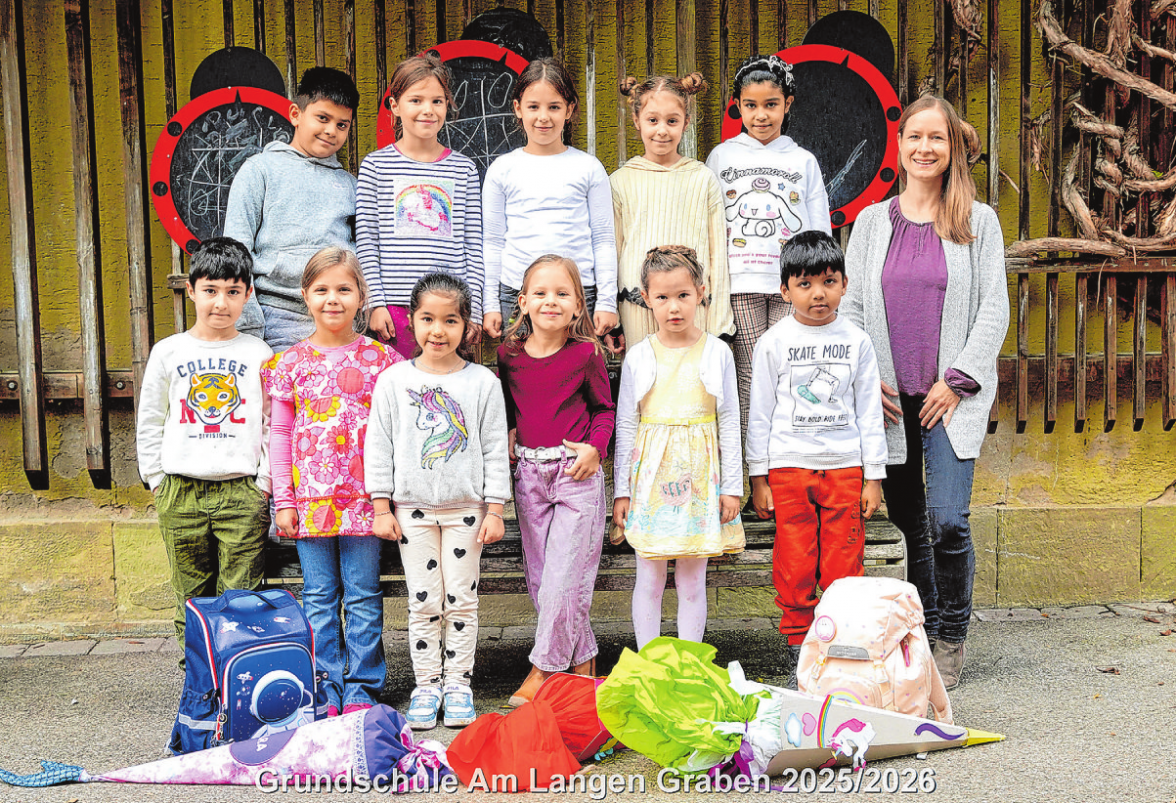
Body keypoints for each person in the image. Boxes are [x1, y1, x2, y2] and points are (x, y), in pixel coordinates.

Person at [842, 95, 1009, 690]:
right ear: (901, 144)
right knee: (911, 522)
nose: (924, 148)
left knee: (948, 522)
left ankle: (954, 635)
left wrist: (957, 380)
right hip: (892, 399)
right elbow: (855, 305)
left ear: (952, 147)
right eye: (914, 136)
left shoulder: (977, 221)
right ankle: (925, 634)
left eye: (936, 138)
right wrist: (869, 377)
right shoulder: (870, 223)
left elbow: (994, 308)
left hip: (948, 399)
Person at [366, 274, 510, 731]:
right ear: (411, 321)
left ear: (466, 327)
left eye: (450, 320)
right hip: (412, 513)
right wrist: (381, 506)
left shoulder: (482, 382)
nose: (438, 330)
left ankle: (459, 684)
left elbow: (493, 447)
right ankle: (426, 684)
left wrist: (496, 509)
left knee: (462, 599)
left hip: (467, 510)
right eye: (428, 318)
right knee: (423, 600)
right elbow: (379, 445)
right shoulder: (393, 381)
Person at [261, 248, 400, 716]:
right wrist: (285, 500)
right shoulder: (291, 363)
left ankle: (363, 684)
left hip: (365, 502)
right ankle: (326, 683)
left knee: (363, 594)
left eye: (344, 289)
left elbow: (395, 430)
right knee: (319, 597)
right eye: (322, 290)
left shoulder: (383, 361)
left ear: (361, 296)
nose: (333, 299)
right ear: (305, 296)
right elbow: (279, 434)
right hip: (309, 503)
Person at [746, 230, 887, 680]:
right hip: (788, 468)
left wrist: (874, 476)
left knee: (844, 562)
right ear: (784, 290)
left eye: (828, 281)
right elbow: (761, 413)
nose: (818, 293)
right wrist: (758, 478)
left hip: (844, 468)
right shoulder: (773, 342)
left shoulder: (857, 342)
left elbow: (868, 412)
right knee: (795, 560)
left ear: (844, 285)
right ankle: (797, 643)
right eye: (804, 284)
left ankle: (841, 643)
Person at [136, 237, 273, 658]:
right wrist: (157, 479)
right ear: (191, 290)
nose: (221, 303)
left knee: (242, 597)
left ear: (247, 294)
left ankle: (237, 680)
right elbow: (151, 419)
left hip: (241, 492)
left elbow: (270, 424)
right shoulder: (169, 352)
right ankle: (198, 681)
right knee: (190, 595)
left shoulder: (258, 354)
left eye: (233, 292)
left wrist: (263, 484)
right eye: (211, 290)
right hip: (181, 490)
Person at [497, 255, 616, 706]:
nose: (552, 301)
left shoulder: (585, 354)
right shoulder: (509, 357)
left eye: (562, 293)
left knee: (566, 577)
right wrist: (509, 429)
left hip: (575, 475)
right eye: (541, 293)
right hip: (529, 475)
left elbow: (605, 410)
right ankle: (584, 661)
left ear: (577, 306)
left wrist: (595, 449)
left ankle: (543, 669)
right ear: (523, 302)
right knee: (543, 580)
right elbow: (509, 406)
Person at [612, 246, 745, 649]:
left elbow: (728, 422)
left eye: (683, 295)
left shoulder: (717, 351)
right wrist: (622, 490)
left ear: (701, 292)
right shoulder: (639, 356)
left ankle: (689, 662)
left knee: (692, 580)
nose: (674, 307)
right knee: (649, 578)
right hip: (651, 483)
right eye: (663, 297)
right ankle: (650, 662)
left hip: (700, 483)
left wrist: (732, 487)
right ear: (647, 298)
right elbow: (626, 425)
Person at [705, 53, 832, 433]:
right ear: (738, 106)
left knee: (786, 368)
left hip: (790, 284)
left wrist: (819, 280)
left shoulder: (803, 160)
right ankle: (753, 472)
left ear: (787, 104)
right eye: (751, 106)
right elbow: (709, 220)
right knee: (749, 369)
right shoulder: (721, 156)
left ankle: (783, 463)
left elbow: (819, 227)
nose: (761, 115)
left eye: (771, 105)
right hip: (739, 283)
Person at [481, 57, 619, 351]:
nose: (543, 116)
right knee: (523, 379)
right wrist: (489, 303)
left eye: (554, 107)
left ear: (569, 110)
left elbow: (604, 240)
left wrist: (607, 301)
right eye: (533, 106)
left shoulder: (589, 168)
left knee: (577, 379)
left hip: (579, 296)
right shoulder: (502, 170)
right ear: (518, 108)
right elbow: (492, 242)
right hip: (517, 296)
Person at [356, 54, 484, 359]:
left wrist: (474, 310)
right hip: (394, 314)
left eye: (437, 101)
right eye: (416, 100)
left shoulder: (463, 169)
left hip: (450, 311)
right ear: (395, 106)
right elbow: (367, 241)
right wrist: (375, 303)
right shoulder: (376, 166)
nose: (428, 110)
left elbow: (473, 246)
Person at [224, 67, 360, 351]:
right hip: (275, 319)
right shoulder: (259, 171)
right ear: (296, 114)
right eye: (322, 118)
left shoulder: (351, 186)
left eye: (342, 125)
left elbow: (363, 254)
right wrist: (249, 326)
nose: (330, 131)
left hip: (339, 321)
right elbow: (236, 251)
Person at [611, 72, 733, 348]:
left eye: (672, 121)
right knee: (645, 385)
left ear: (686, 123)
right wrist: (614, 317)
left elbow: (718, 255)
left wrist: (721, 323)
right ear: (637, 121)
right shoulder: (621, 181)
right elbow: (613, 252)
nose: (662, 130)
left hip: (693, 309)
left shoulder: (702, 179)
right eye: (653, 120)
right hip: (637, 308)